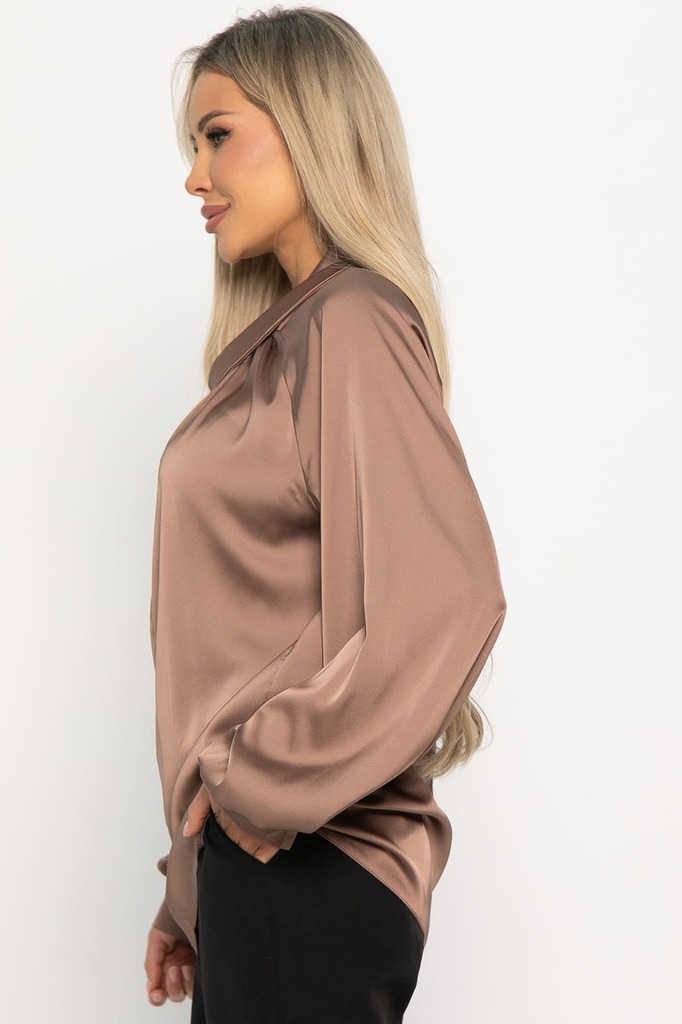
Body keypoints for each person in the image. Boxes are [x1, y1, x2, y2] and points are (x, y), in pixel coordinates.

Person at [143, 6, 507, 1022]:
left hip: (312, 860)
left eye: (218, 135)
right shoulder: (283, 345)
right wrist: (192, 882)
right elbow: (243, 637)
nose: (195, 177)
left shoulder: (352, 321)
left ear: (310, 126)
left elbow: (448, 597)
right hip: (267, 868)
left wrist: (255, 789)